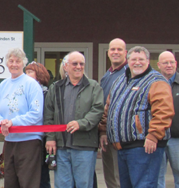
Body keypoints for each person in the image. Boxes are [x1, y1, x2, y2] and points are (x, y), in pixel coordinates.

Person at [99, 46, 174, 188]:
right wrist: (103, 130)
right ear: (128, 61)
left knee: (144, 185)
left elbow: (164, 112)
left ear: (148, 61)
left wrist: (153, 135)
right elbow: (108, 108)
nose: (137, 62)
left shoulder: (156, 81)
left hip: (145, 146)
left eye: (141, 59)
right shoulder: (120, 81)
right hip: (122, 146)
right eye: (134, 59)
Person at [44, 51, 104, 188]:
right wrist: (50, 138)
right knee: (62, 184)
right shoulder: (56, 88)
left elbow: (98, 110)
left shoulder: (94, 87)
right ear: (66, 67)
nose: (78, 67)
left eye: (81, 64)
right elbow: (49, 114)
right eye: (75, 63)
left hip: (85, 146)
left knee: (84, 184)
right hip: (61, 147)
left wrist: (81, 123)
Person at [0, 47, 44, 188]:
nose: (14, 64)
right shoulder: (3, 85)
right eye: (11, 61)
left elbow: (36, 113)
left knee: (28, 182)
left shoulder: (31, 85)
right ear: (7, 64)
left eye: (18, 61)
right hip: (9, 141)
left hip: (29, 141)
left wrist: (12, 122)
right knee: (10, 181)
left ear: (23, 63)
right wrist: (1, 122)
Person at [99, 38, 127, 188]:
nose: (116, 52)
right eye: (113, 49)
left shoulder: (129, 74)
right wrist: (102, 131)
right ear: (108, 53)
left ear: (125, 53)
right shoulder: (107, 75)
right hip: (107, 134)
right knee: (110, 176)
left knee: (120, 177)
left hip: (121, 136)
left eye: (119, 49)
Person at [25, 61, 51, 188]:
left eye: (30, 72)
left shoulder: (46, 93)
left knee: (42, 175)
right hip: (25, 137)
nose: (26, 75)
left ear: (39, 74)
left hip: (41, 138)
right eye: (26, 72)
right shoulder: (24, 92)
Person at [157, 51, 179, 188]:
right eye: (165, 63)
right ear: (159, 65)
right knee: (157, 176)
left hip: (177, 138)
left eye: (172, 62)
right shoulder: (153, 84)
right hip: (158, 138)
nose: (169, 65)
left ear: (176, 64)